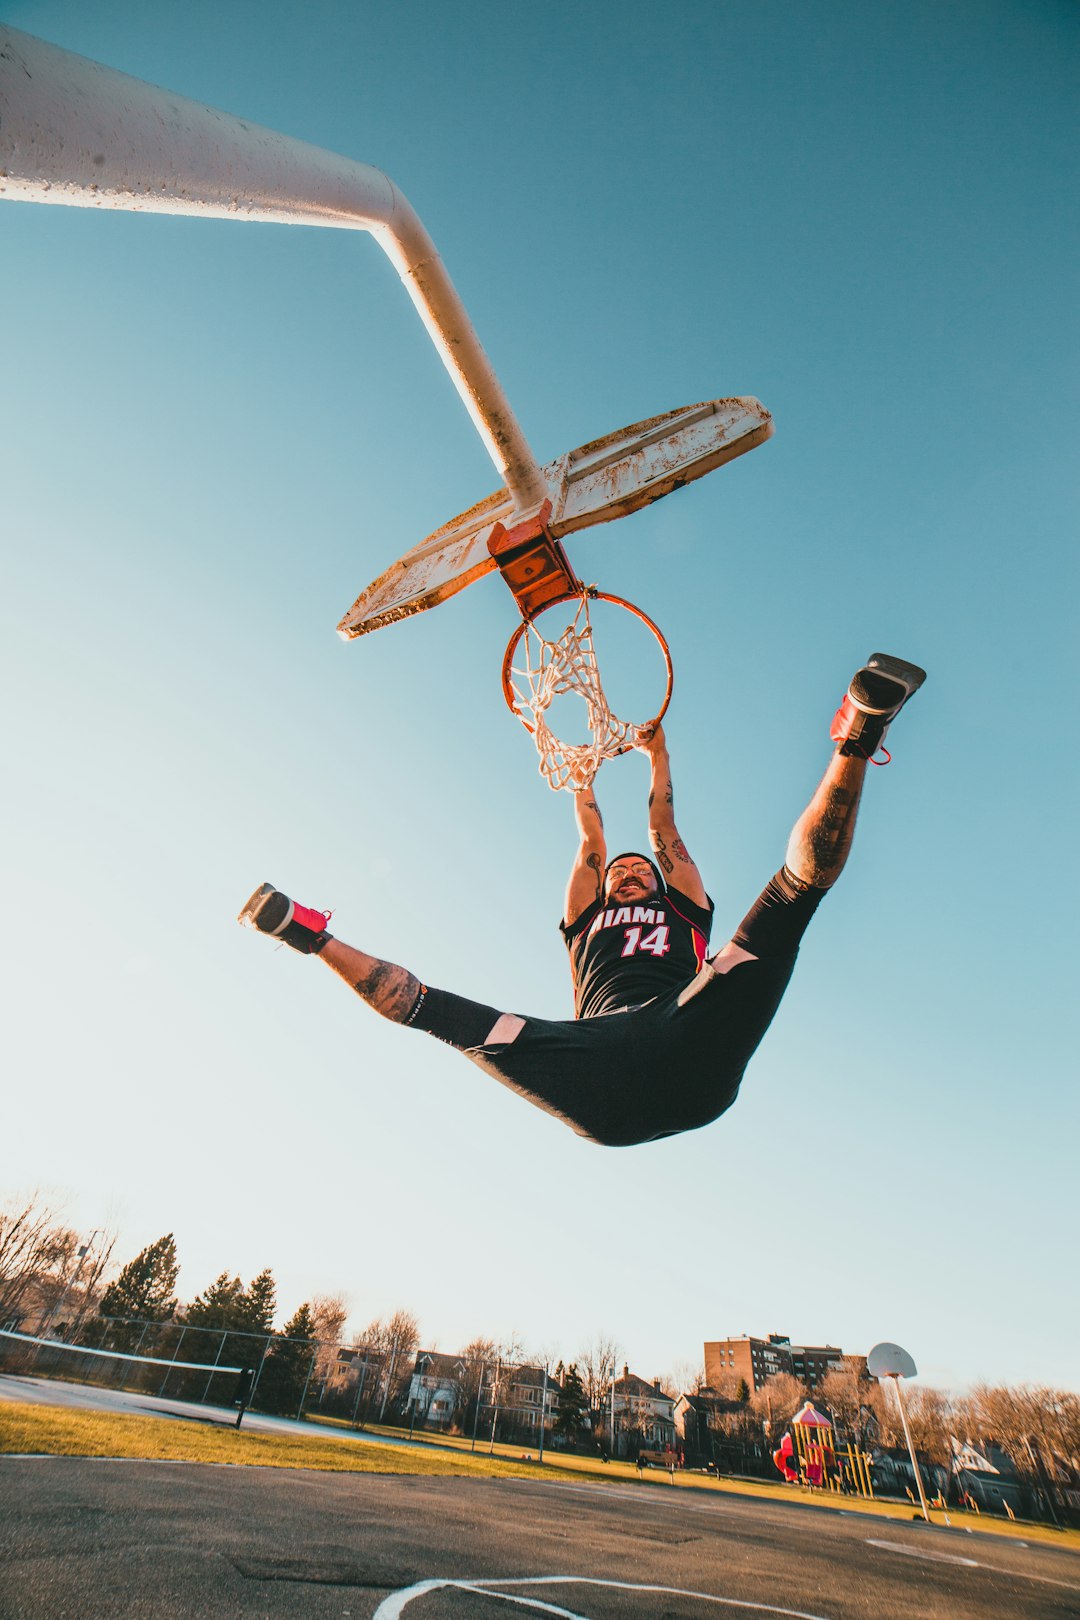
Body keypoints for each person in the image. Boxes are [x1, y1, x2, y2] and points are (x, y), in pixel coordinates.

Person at [239, 653, 925, 1147]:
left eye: (640, 872)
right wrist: (580, 778)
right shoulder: (587, 914)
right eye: (619, 873)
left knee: (786, 905)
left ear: (659, 880)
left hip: (688, 1028)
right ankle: (307, 934)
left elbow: (662, 829)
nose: (629, 875)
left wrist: (657, 758)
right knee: (443, 1015)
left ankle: (857, 735)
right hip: (593, 1061)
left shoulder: (681, 907)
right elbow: (592, 841)